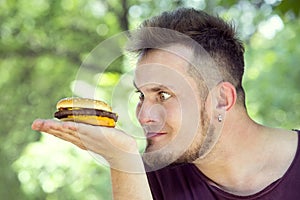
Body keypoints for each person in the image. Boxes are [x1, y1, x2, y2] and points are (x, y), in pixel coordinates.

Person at [32, 8, 300, 199]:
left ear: (221, 100)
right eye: (141, 96)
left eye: (163, 95)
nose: (144, 116)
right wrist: (120, 158)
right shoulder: (150, 175)